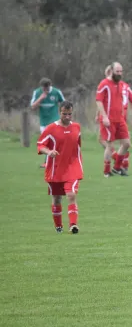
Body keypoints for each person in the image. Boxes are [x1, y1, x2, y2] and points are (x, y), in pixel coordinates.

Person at [37, 100, 83, 234]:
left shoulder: (77, 127)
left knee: (71, 194)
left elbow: (77, 147)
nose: (67, 117)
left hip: (72, 167)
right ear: (59, 112)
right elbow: (40, 145)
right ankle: (58, 226)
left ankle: (73, 225)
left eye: (69, 114)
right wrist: (49, 152)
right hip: (55, 169)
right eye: (64, 114)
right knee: (57, 198)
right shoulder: (51, 128)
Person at [96, 62, 131, 177]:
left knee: (126, 143)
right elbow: (99, 101)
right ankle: (106, 170)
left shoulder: (121, 84)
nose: (120, 74)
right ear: (112, 71)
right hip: (108, 119)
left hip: (119, 119)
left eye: (121, 71)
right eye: (117, 71)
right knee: (109, 144)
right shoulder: (104, 84)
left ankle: (117, 167)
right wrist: (104, 116)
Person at [101, 64, 132, 172]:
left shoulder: (116, 86)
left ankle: (116, 160)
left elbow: (102, 101)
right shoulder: (124, 86)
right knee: (124, 142)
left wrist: (100, 115)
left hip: (113, 117)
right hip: (120, 116)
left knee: (105, 140)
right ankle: (122, 163)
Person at [30, 78, 65, 168]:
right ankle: (50, 162)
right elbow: (33, 106)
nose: (45, 90)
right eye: (44, 88)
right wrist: (41, 98)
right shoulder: (37, 92)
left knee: (56, 141)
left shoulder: (56, 92)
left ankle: (50, 162)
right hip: (43, 122)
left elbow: (64, 104)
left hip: (55, 121)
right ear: (41, 87)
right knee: (46, 142)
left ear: (50, 86)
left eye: (47, 88)